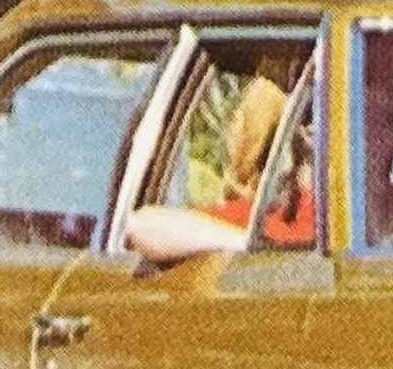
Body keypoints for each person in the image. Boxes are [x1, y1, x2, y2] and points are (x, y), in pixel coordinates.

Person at [117, 44, 319, 263]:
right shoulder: (265, 218)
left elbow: (143, 226)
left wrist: (253, 247)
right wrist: (255, 246)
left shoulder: (268, 218)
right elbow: (143, 226)